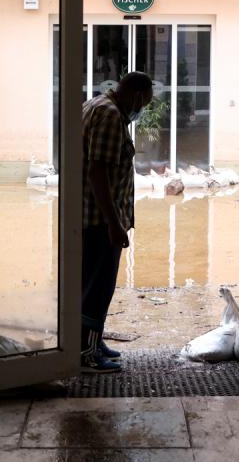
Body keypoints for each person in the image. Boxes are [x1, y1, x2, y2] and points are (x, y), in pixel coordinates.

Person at [80, 71, 153, 373]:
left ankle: (92, 343)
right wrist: (114, 223)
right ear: (136, 96)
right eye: (144, 104)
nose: (141, 111)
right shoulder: (111, 116)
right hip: (99, 221)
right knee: (98, 287)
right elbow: (97, 172)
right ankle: (86, 354)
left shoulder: (95, 104)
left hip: (90, 217)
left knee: (89, 284)